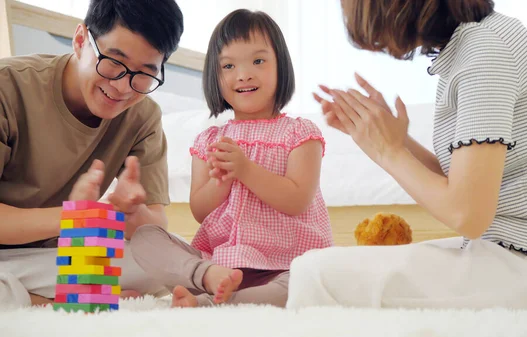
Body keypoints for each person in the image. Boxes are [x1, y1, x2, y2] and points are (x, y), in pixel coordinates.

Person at [287, 0, 527, 309]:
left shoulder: (485, 51)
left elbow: (468, 215)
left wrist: (390, 151)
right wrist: (395, 141)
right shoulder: (476, 42)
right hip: (522, 259)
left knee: (314, 274)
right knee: (313, 269)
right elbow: (464, 186)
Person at [130, 9, 334, 308]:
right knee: (146, 238)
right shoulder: (209, 140)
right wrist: (220, 183)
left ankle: (215, 302)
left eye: (258, 61)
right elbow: (200, 210)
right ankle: (208, 279)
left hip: (286, 264)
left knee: (310, 282)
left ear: (282, 67)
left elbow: (297, 200)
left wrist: (246, 170)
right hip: (221, 262)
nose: (243, 74)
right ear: (215, 75)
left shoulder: (300, 133)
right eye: (228, 65)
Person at [0, 0, 184, 308]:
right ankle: (38, 301)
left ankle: (24, 295)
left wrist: (128, 214)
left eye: (144, 74)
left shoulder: (144, 117)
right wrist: (77, 217)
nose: (123, 87)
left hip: (44, 257)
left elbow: (154, 227)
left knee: (171, 262)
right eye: (114, 62)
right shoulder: (8, 86)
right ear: (80, 39)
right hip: (26, 249)